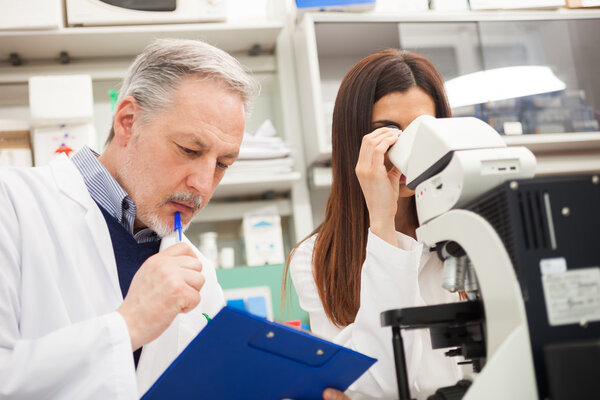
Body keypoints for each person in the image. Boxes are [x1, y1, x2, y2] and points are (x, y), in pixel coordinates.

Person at [0, 38, 258, 398]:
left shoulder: (198, 271)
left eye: (222, 164)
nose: (203, 183)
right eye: (189, 150)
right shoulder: (12, 205)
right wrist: (128, 325)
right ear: (128, 122)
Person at [286, 49, 464, 399]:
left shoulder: (470, 233)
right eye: (388, 133)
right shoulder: (316, 258)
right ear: (353, 140)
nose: (408, 149)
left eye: (421, 130)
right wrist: (381, 224)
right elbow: (383, 384)